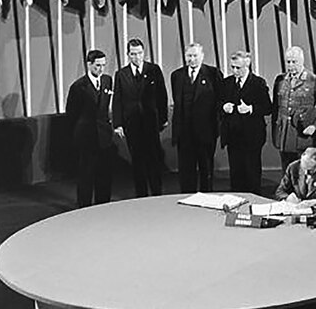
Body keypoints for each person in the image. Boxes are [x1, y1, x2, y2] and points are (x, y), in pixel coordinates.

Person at [112, 39, 168, 197]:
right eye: (133, 54)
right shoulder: (121, 74)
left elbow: (161, 95)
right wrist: (118, 124)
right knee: (137, 160)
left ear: (144, 53)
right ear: (128, 55)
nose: (137, 57)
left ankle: (157, 192)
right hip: (132, 124)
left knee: (154, 159)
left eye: (139, 53)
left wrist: (163, 118)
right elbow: (118, 100)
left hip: (151, 123)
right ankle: (141, 195)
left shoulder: (154, 69)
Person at [66, 49, 116, 207]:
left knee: (104, 174)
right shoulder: (78, 87)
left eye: (103, 65)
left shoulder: (108, 80)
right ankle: (84, 207)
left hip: (104, 137)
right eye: (97, 65)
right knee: (86, 175)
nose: (101, 69)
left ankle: (104, 205)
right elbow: (71, 115)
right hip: (86, 137)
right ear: (89, 65)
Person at [170, 43, 223, 192]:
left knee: (206, 169)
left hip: (206, 133)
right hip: (184, 133)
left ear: (202, 56)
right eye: (189, 56)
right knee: (186, 170)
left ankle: (206, 198)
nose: (192, 59)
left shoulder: (213, 74)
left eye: (195, 56)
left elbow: (219, 101)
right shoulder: (176, 75)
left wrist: (215, 128)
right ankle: (186, 198)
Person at [219, 51, 272, 194]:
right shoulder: (227, 83)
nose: (235, 71)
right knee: (236, 174)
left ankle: (254, 203)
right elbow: (218, 103)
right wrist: (224, 107)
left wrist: (250, 108)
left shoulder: (258, 83)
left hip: (252, 137)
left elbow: (268, 107)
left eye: (238, 68)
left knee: (252, 173)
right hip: (232, 137)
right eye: (233, 67)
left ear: (247, 65)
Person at [272, 46, 316, 170]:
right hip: (285, 136)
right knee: (287, 171)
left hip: (304, 137)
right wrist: (276, 133)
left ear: (302, 61)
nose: (291, 65)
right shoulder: (280, 81)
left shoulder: (313, 81)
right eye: (288, 62)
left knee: (304, 174)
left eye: (294, 62)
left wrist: (315, 126)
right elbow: (276, 108)